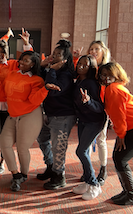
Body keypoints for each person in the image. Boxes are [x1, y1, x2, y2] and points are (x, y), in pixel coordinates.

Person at [0, 51, 48, 192]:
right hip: (13, 114)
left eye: (26, 61)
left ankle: (24, 174)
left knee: (22, 147)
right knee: (4, 144)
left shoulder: (37, 80)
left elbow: (34, 100)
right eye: (21, 60)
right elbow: (3, 92)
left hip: (30, 115)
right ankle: (16, 174)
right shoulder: (12, 74)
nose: (21, 63)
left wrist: (45, 89)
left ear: (33, 64)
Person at [98, 62, 133, 206]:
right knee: (118, 157)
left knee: (121, 158)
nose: (106, 78)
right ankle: (127, 192)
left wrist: (121, 135)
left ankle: (131, 195)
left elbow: (119, 116)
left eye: (109, 75)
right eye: (103, 75)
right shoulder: (113, 87)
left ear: (116, 75)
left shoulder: (113, 89)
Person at [0, 31, 32, 175]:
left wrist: (26, 43)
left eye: (2, 52)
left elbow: (29, 59)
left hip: (8, 106)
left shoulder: (12, 64)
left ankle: (1, 163)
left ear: (6, 52)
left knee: (6, 137)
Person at [36, 40, 76, 190]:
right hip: (49, 114)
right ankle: (51, 166)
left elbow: (53, 91)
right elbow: (40, 81)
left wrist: (51, 70)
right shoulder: (51, 70)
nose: (54, 56)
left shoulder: (65, 74)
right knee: (42, 139)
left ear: (65, 59)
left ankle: (59, 176)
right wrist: (44, 67)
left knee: (58, 147)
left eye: (58, 54)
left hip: (63, 116)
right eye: (54, 54)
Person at [71, 55, 107, 200]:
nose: (81, 66)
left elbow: (100, 107)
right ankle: (87, 182)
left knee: (80, 151)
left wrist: (89, 101)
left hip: (95, 120)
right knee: (84, 151)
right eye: (79, 63)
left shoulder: (92, 84)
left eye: (85, 65)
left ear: (91, 68)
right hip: (84, 120)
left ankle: (94, 184)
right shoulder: (78, 80)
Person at [87, 40, 111, 185]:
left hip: (102, 109)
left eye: (96, 49)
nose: (93, 52)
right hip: (88, 108)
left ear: (103, 51)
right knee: (87, 141)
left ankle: (103, 169)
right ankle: (88, 170)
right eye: (91, 49)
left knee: (101, 139)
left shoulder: (107, 68)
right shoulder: (90, 68)